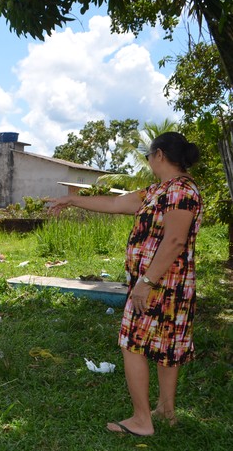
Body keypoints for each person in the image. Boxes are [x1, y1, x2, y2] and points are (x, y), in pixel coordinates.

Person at [48, 132, 202, 436]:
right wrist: (72, 199)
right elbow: (117, 203)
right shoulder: (161, 190)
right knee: (166, 346)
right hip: (166, 284)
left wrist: (146, 282)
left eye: (148, 156)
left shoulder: (181, 191)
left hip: (161, 285)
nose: (147, 161)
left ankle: (142, 420)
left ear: (159, 155)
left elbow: (173, 241)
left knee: (132, 345)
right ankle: (165, 411)